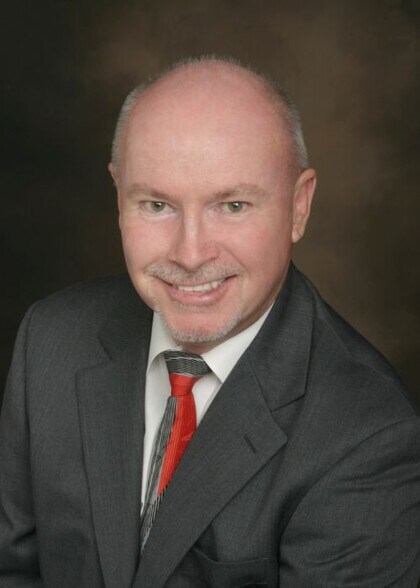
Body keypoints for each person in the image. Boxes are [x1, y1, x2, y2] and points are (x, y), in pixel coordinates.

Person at [0, 56, 419, 587]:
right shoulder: (51, 339)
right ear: (119, 194)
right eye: (157, 205)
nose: (191, 253)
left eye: (233, 205)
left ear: (299, 206)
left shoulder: (369, 436)